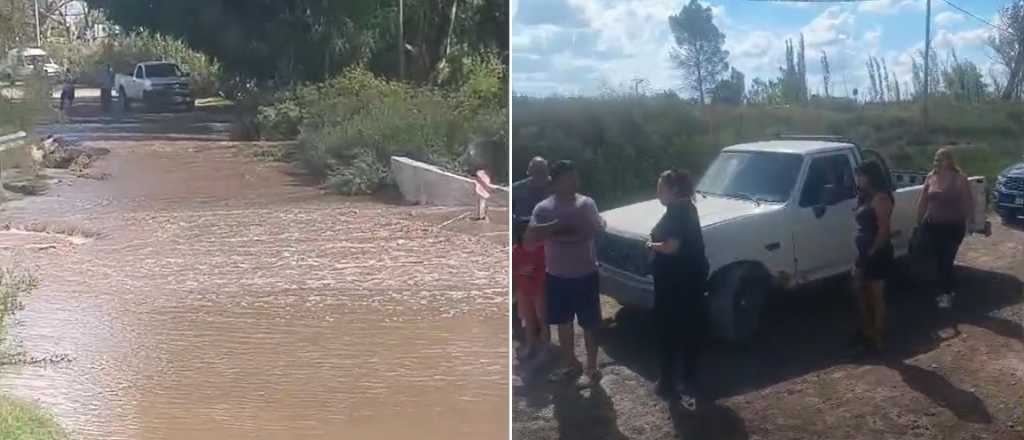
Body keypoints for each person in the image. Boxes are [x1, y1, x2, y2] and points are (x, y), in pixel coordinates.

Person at [527, 160, 605, 387]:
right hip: (557, 276)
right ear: (556, 181)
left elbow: (599, 225)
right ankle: (571, 364)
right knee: (562, 323)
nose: (575, 182)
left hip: (586, 274)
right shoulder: (543, 208)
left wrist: (599, 224)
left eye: (576, 177)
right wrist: (554, 226)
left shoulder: (586, 204)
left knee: (590, 323)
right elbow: (531, 238)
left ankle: (592, 368)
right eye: (569, 178)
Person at [646, 169, 709, 401]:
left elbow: (672, 247)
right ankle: (685, 379)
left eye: (660, 187)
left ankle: (670, 382)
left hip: (676, 284)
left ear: (673, 189)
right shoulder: (685, 209)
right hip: (685, 281)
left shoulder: (678, 212)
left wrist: (651, 245)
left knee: (669, 331)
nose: (658, 192)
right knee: (688, 329)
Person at [915, 147, 975, 308]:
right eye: (936, 158)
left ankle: (947, 293)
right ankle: (945, 289)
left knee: (946, 260)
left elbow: (968, 202)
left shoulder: (959, 178)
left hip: (953, 227)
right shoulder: (931, 177)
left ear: (949, 160)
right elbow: (923, 201)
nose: (937, 162)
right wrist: (918, 221)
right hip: (932, 225)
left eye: (941, 158)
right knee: (935, 259)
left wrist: (971, 222)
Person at [851, 161, 895, 354]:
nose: (857, 179)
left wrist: (871, 252)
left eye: (860, 175)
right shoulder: (864, 198)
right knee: (861, 292)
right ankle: (867, 331)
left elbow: (884, 230)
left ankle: (878, 336)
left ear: (870, 177)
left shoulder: (881, 198)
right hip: (863, 252)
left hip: (877, 252)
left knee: (876, 295)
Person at [512, 219, 546, 362]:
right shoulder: (515, 250)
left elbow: (544, 271)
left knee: (543, 320)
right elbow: (513, 272)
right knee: (528, 321)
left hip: (539, 290)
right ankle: (531, 346)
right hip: (523, 291)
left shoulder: (541, 249)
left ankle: (545, 349)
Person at [512, 156, 551, 222]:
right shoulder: (517, 189)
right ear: (530, 172)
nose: (540, 176)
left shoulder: (556, 188)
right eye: (537, 172)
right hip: (522, 227)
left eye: (543, 172)